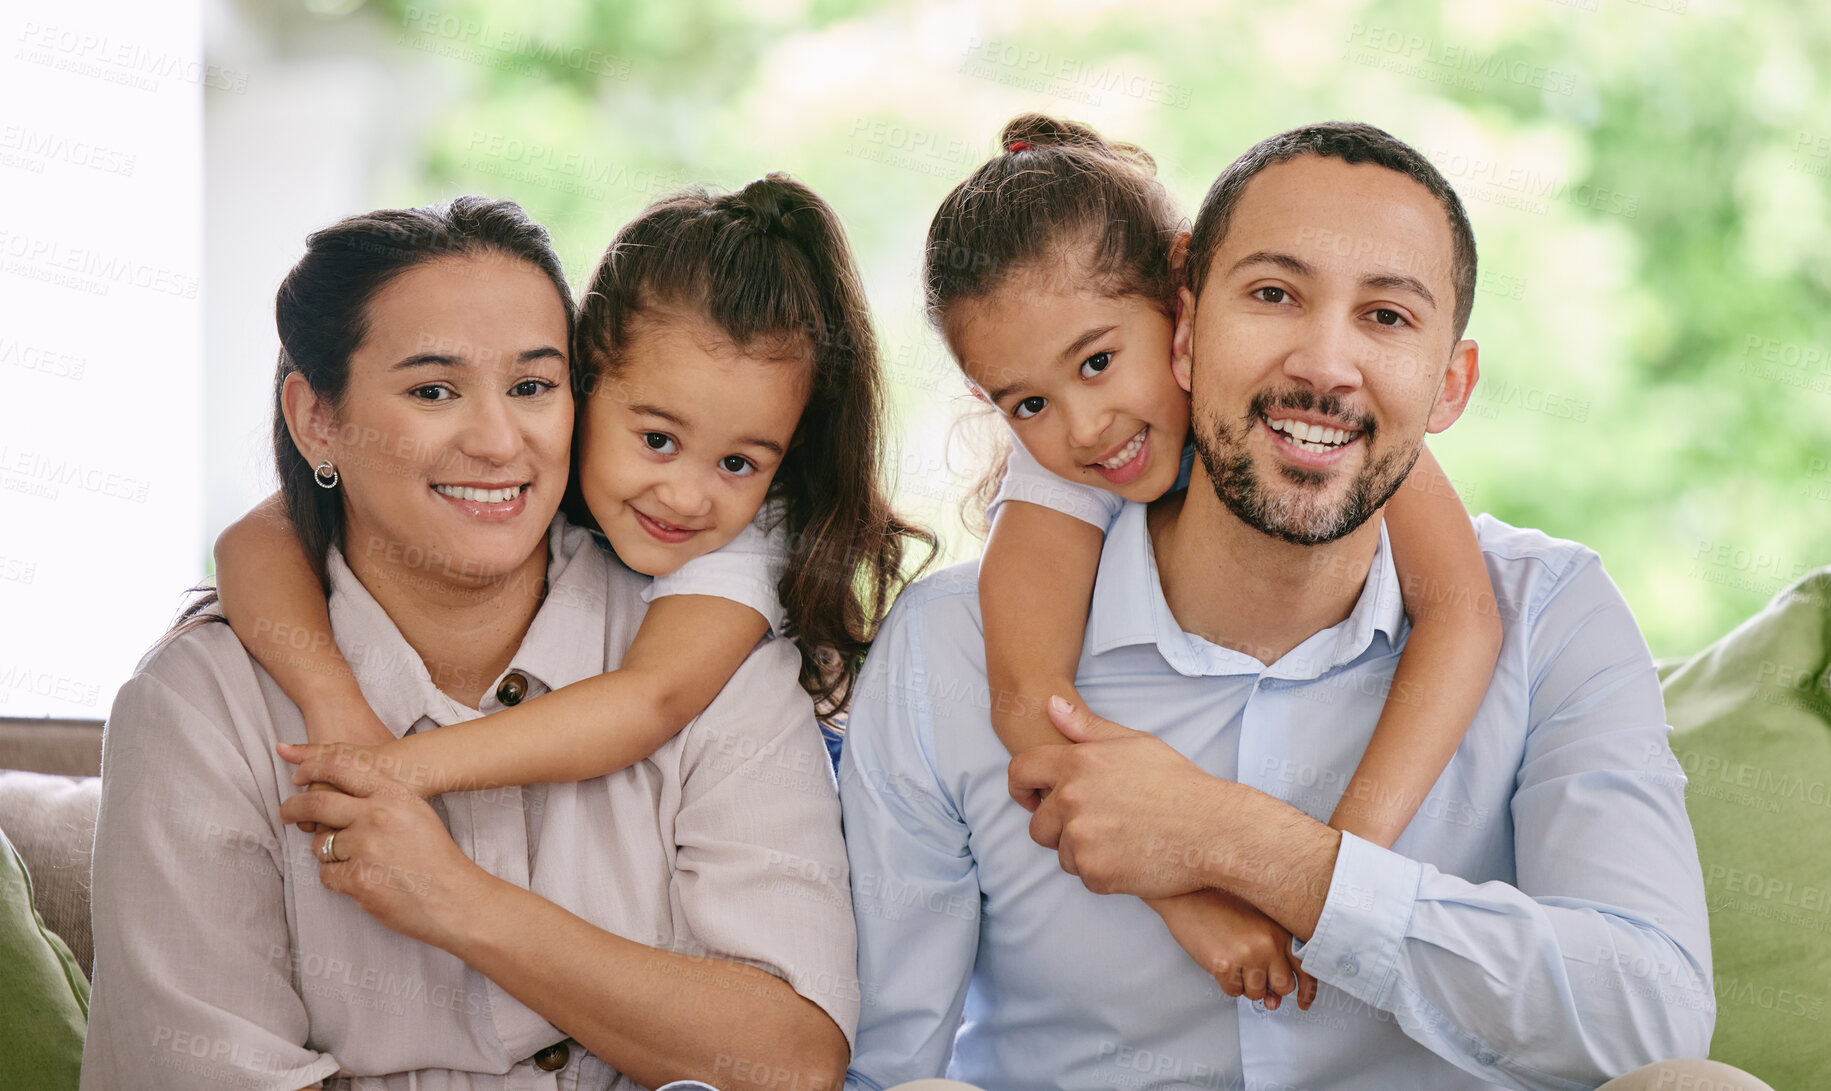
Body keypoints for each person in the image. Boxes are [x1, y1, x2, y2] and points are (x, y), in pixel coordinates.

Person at [839, 124, 1745, 1090]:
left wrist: (1252, 849)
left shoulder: (1548, 612)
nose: (1324, 363)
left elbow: (1653, 1021)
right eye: (1273, 295)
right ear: (1187, 326)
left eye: (1387, 317)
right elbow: (886, 1055)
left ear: (1450, 384)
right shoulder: (957, 639)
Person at [83, 193, 865, 1091]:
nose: (499, 441)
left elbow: (791, 1057)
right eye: (432, 390)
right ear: (315, 421)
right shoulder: (200, 710)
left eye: (533, 386)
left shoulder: (709, 661)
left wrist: (458, 901)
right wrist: (337, 701)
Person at [933, 113, 1502, 1007]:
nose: (1083, 426)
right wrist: (1187, 900)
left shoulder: (1319, 421)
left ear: (1181, 307)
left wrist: (1331, 880)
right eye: (1025, 403)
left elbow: (1462, 611)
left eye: (1099, 362)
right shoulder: (1062, 478)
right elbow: (1029, 705)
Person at [211, 173, 929, 818]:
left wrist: (400, 767)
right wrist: (332, 701)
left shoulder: (747, 538)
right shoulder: (528, 460)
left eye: (739, 461)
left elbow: (648, 700)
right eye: (656, 440)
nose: (684, 496)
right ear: (585, 384)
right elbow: (253, 540)